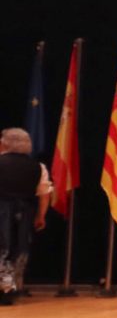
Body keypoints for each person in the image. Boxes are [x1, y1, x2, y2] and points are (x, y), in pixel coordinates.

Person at [0, 128, 49, 305]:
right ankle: (10, 289)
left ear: (4, 143)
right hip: (24, 213)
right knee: (18, 250)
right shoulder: (38, 167)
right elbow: (44, 193)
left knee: (2, 249)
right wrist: (40, 216)